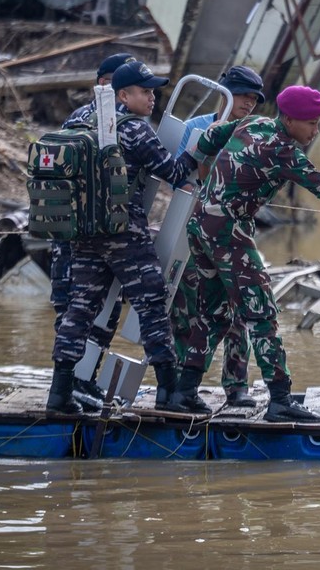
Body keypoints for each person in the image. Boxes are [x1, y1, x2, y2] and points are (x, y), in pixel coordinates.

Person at [169, 84, 320, 422]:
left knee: (214, 314)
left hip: (200, 225)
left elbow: (209, 138)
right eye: (311, 124)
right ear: (288, 119)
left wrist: (185, 168)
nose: (315, 131)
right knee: (263, 314)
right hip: (228, 232)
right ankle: (280, 400)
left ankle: (184, 391)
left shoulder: (250, 123)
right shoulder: (282, 150)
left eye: (318, 123)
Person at [47, 61, 197, 414]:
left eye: (153, 91)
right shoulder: (135, 130)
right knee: (152, 304)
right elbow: (173, 172)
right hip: (124, 233)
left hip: (81, 231)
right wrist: (197, 151)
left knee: (80, 309)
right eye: (145, 92)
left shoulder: (77, 118)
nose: (152, 98)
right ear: (122, 95)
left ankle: (59, 394)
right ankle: (168, 393)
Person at [171, 65, 265, 408]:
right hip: (192, 231)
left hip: (234, 234)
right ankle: (184, 386)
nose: (248, 104)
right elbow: (177, 176)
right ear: (225, 93)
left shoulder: (251, 134)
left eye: (254, 99)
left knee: (240, 311)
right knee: (187, 311)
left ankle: (237, 385)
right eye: (243, 96)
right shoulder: (196, 128)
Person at [49, 52, 136, 407]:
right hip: (78, 237)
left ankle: (82, 383)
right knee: (78, 311)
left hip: (92, 234)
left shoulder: (112, 120)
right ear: (105, 84)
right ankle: (69, 387)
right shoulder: (90, 120)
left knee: (104, 310)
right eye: (126, 84)